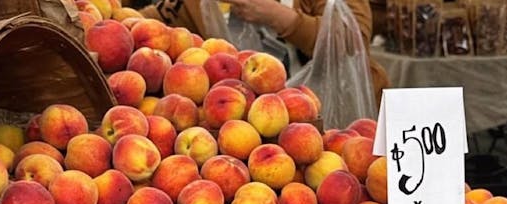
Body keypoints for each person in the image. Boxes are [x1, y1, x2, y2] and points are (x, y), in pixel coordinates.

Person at [141, 0, 389, 104]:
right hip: (246, 124)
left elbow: (353, 39)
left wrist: (280, 18)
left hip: (333, 112)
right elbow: (149, 23)